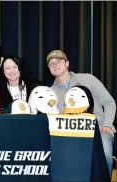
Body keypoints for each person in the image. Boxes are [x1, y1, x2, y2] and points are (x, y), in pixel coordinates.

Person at [46, 49, 116, 177]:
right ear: (49, 69)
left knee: (105, 148)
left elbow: (109, 102)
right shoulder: (49, 93)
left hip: (99, 130)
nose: (54, 64)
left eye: (58, 61)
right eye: (51, 63)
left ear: (67, 64)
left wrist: (107, 124)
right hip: (70, 137)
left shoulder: (88, 79)